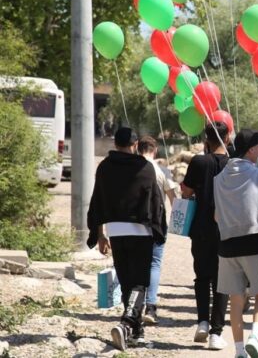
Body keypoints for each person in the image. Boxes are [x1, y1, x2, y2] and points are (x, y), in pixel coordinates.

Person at [87, 128, 166, 351]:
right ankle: (126, 322)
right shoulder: (144, 167)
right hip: (141, 231)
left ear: (115, 143)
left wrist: (100, 234)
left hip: (115, 231)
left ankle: (136, 332)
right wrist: (159, 230)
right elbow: (155, 202)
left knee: (126, 280)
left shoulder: (104, 167)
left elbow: (98, 201)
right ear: (134, 145)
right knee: (140, 281)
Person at [215, 129, 258, 358]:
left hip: (227, 246)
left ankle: (239, 350)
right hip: (256, 243)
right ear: (252, 149)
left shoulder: (220, 178)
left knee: (235, 299)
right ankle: (256, 335)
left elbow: (216, 215)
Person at [181, 122, 231, 350]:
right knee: (223, 281)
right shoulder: (233, 165)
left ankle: (202, 321)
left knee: (201, 276)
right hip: (227, 231)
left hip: (200, 228)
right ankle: (216, 333)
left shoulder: (199, 162)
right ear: (227, 138)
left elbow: (187, 191)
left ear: (206, 140)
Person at [136, 136, 176, 325]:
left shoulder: (132, 167)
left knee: (137, 264)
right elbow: (173, 200)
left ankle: (133, 306)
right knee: (154, 264)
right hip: (157, 223)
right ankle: (151, 307)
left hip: (134, 223)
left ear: (138, 148)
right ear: (155, 150)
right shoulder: (162, 170)